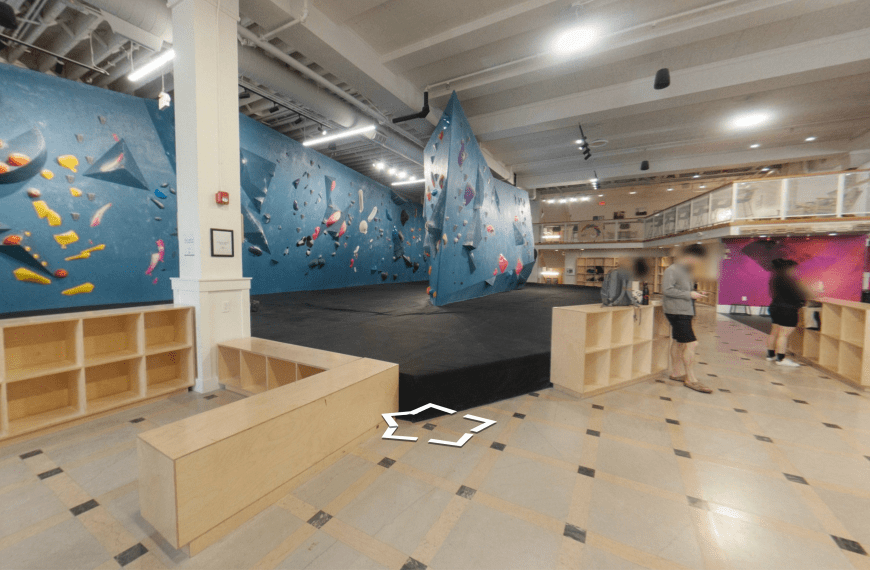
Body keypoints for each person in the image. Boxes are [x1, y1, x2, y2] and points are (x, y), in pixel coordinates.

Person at [662, 245, 711, 393]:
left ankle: (676, 373)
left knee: (679, 342)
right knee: (692, 344)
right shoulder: (672, 269)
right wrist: (689, 294)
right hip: (677, 312)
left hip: (685, 310)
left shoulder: (687, 271)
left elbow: (683, 290)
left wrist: (695, 292)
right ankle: (690, 378)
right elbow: (667, 290)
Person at [766, 258, 810, 367]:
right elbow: (799, 296)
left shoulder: (775, 279)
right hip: (787, 310)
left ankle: (770, 355)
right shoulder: (790, 280)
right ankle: (780, 359)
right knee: (783, 335)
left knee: (774, 332)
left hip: (775, 307)